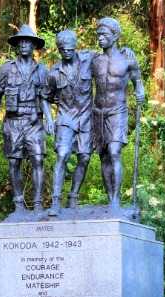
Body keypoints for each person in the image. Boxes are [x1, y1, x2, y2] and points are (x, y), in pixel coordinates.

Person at [0, 25, 54, 214]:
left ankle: (38, 203)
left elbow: (46, 98)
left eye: (27, 42)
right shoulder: (6, 69)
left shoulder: (43, 71)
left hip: (34, 122)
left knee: (38, 159)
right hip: (12, 123)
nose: (23, 45)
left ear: (34, 45)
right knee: (14, 162)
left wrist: (49, 119)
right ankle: (18, 205)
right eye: (20, 42)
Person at [92, 18, 145, 213]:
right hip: (98, 112)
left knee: (114, 152)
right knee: (104, 156)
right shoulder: (95, 61)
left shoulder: (128, 59)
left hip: (118, 111)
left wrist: (140, 92)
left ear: (115, 36)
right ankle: (109, 198)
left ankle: (116, 199)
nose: (100, 38)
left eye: (104, 34)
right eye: (98, 35)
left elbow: (138, 83)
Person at [42, 30, 94, 216]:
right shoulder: (54, 73)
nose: (67, 52)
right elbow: (45, 97)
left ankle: (73, 197)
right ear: (59, 50)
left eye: (70, 49)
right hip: (65, 119)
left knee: (85, 157)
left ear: (76, 47)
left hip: (86, 119)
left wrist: (125, 51)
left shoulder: (89, 60)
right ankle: (56, 201)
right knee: (63, 154)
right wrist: (48, 118)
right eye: (63, 50)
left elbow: (109, 57)